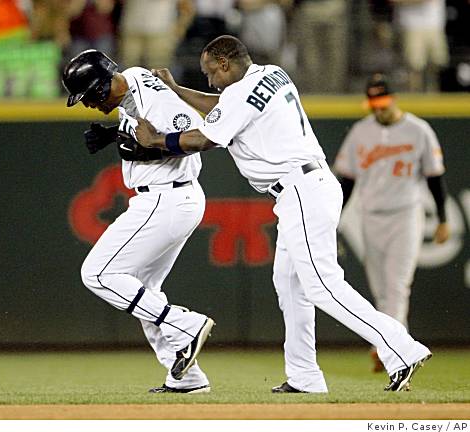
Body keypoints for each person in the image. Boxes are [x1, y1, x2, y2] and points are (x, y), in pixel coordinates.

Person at [134, 35, 432, 393]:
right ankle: (305, 376)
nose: (209, 79)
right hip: (307, 186)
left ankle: (401, 348)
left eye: (210, 71)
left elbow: (204, 139)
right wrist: (178, 89)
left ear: (226, 64)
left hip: (301, 189)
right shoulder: (270, 73)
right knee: (290, 285)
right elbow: (223, 105)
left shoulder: (240, 93)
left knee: (323, 285)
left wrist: (156, 142)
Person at [62, 49, 214, 393]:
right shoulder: (133, 76)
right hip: (170, 197)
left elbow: (201, 138)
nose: (87, 105)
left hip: (166, 198)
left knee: (97, 274)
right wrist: (116, 135)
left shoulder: (154, 102)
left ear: (102, 87)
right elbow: (139, 127)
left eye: (87, 97)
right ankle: (187, 378)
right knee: (145, 292)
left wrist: (153, 147)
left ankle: (186, 324)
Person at [334, 73, 450, 372]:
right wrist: (333, 220)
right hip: (370, 216)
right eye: (374, 104)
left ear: (394, 99)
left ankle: (390, 349)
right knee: (382, 290)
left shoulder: (418, 130)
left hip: (405, 215)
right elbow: (346, 181)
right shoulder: (361, 131)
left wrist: (443, 219)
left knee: (398, 286)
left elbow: (435, 177)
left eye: (383, 103)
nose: (378, 109)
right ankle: (395, 346)